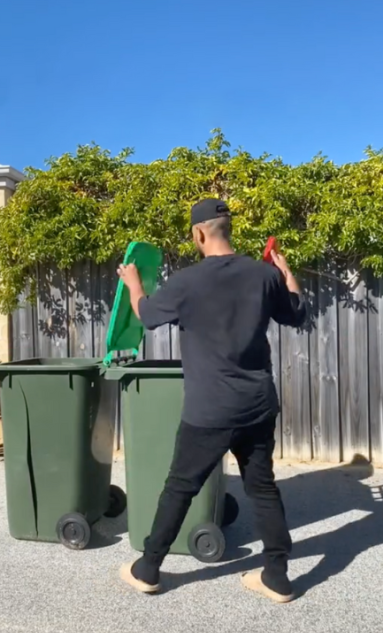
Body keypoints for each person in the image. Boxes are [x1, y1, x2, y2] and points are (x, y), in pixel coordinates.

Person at [116, 198, 308, 600]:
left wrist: (134, 285)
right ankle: (276, 576)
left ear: (198, 233)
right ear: (228, 228)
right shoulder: (263, 276)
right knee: (263, 487)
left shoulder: (187, 282)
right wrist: (286, 271)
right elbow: (296, 314)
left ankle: (148, 569)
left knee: (180, 487)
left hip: (209, 410)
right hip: (257, 404)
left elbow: (147, 316)